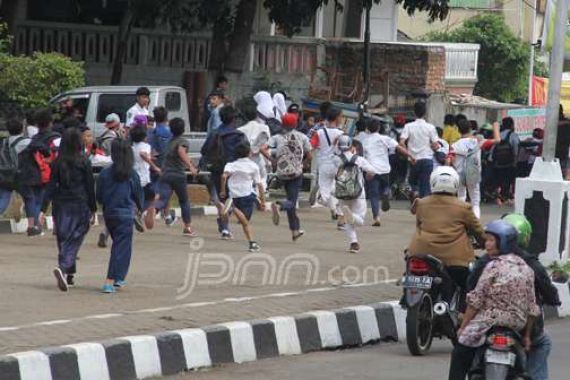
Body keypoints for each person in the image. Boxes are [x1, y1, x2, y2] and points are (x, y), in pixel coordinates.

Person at [467, 214, 560, 380]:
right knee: (542, 343)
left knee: (465, 348)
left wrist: (464, 325)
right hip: (522, 326)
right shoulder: (530, 265)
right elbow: (541, 299)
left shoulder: (486, 262)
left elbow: (472, 290)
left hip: (488, 324)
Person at [448, 220, 540, 380]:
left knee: (460, 353)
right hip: (516, 323)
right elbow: (532, 307)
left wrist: (463, 327)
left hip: (488, 321)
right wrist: (526, 335)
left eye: (491, 240)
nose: (487, 245)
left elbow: (476, 300)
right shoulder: (526, 268)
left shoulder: (492, 266)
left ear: (503, 243)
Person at [407, 166, 484, 301]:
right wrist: (484, 242)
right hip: (455, 260)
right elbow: (478, 231)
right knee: (469, 282)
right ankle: (461, 313)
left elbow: (419, 225)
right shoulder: (464, 207)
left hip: (420, 254)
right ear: (455, 183)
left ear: (432, 182)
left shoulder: (421, 203)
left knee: (410, 272)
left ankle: (407, 297)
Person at [42, 128, 96, 292]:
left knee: (63, 238)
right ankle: (63, 268)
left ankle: (69, 275)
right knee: (75, 238)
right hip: (80, 203)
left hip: (61, 204)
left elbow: (51, 186)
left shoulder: (58, 161)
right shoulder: (84, 161)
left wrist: (42, 209)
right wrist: (93, 208)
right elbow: (89, 186)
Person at [96, 139, 144, 294]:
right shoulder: (132, 175)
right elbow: (138, 195)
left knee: (122, 246)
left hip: (109, 214)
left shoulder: (105, 173)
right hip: (125, 215)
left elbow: (99, 196)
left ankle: (119, 277)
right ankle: (110, 280)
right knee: (120, 248)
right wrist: (140, 208)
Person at [201, 106, 246, 240]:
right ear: (233, 118)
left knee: (222, 199)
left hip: (217, 169)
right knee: (231, 199)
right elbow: (244, 151)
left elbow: (204, 150)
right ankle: (224, 226)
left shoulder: (214, 133)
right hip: (234, 170)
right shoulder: (239, 135)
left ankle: (224, 225)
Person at [268, 112, 312, 241]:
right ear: (295, 124)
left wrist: (273, 160)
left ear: (282, 123)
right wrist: (302, 164)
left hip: (282, 173)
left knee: (290, 201)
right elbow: (310, 156)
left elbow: (263, 148)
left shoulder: (276, 137)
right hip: (295, 173)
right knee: (291, 201)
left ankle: (295, 231)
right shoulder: (302, 137)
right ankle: (279, 206)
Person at [362, 118, 414, 226]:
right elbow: (399, 148)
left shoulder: (364, 141)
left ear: (367, 129)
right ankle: (386, 192)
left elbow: (362, 156)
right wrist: (410, 156)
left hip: (371, 170)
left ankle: (376, 217)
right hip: (385, 169)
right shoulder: (385, 138)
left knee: (374, 196)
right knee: (386, 185)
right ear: (379, 128)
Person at [153, 118, 199, 236]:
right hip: (178, 175)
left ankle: (152, 211)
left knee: (163, 199)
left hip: (166, 174)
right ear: (183, 129)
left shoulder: (169, 141)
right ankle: (187, 227)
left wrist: (191, 162)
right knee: (184, 201)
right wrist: (191, 167)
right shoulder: (182, 141)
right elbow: (181, 152)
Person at [18, 108, 61, 235]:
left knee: (35, 199)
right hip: (50, 173)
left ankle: (33, 225)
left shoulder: (34, 139)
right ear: (50, 122)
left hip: (34, 172)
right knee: (49, 200)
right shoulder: (55, 137)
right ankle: (43, 226)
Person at [333, 135, 377, 253]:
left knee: (348, 220)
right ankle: (352, 217)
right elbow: (372, 171)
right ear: (351, 146)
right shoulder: (358, 159)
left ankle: (354, 243)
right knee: (360, 220)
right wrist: (367, 176)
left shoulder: (336, 160)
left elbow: (333, 175)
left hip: (342, 192)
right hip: (358, 193)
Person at [220, 141, 266, 252]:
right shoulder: (253, 166)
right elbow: (259, 184)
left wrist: (222, 191)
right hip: (247, 195)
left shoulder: (230, 165)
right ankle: (252, 243)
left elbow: (223, 176)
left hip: (234, 195)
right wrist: (263, 201)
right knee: (245, 222)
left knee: (243, 220)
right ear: (249, 153)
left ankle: (231, 208)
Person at [450, 119, 501, 218]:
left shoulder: (454, 145)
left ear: (458, 130)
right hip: (474, 174)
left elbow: (451, 160)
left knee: (461, 197)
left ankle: (460, 220)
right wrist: (496, 127)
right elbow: (497, 140)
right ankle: (475, 222)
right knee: (475, 202)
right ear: (470, 129)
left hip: (459, 175)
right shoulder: (477, 141)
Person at [311, 107, 346, 227]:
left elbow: (312, 147)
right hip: (338, 165)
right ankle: (339, 214)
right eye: (341, 116)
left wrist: (307, 159)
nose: (342, 119)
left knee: (325, 192)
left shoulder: (319, 132)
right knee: (336, 189)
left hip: (323, 165)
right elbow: (346, 150)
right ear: (337, 118)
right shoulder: (342, 134)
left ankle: (323, 196)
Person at [0, 119, 36, 232]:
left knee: (3, 198)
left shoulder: (3, 142)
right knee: (29, 198)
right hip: (21, 176)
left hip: (5, 175)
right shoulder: (27, 142)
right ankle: (31, 227)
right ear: (22, 129)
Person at [400, 102, 438, 199]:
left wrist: (408, 154)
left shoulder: (408, 126)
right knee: (426, 185)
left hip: (413, 159)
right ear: (425, 113)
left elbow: (401, 143)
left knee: (412, 182)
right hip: (427, 159)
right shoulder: (430, 127)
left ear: (414, 112)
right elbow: (435, 145)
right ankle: (424, 206)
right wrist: (433, 147)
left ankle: (415, 193)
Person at [130, 125, 162, 230]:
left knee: (136, 200)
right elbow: (143, 154)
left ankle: (137, 213)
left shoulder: (132, 147)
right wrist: (154, 166)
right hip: (144, 179)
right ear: (144, 137)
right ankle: (138, 213)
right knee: (154, 197)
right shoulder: (145, 146)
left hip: (133, 178)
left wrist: (150, 157)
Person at [238, 100, 271, 194]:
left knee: (246, 184)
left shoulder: (240, 130)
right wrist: (270, 160)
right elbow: (266, 146)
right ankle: (260, 199)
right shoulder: (264, 128)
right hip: (259, 159)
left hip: (245, 160)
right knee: (261, 181)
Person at [490, 117, 520, 206]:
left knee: (498, 180)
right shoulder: (513, 135)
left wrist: (491, 159)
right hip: (508, 163)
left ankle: (498, 197)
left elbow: (493, 148)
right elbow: (516, 149)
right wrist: (515, 161)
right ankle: (504, 197)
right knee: (507, 181)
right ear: (511, 125)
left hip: (497, 163)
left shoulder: (498, 135)